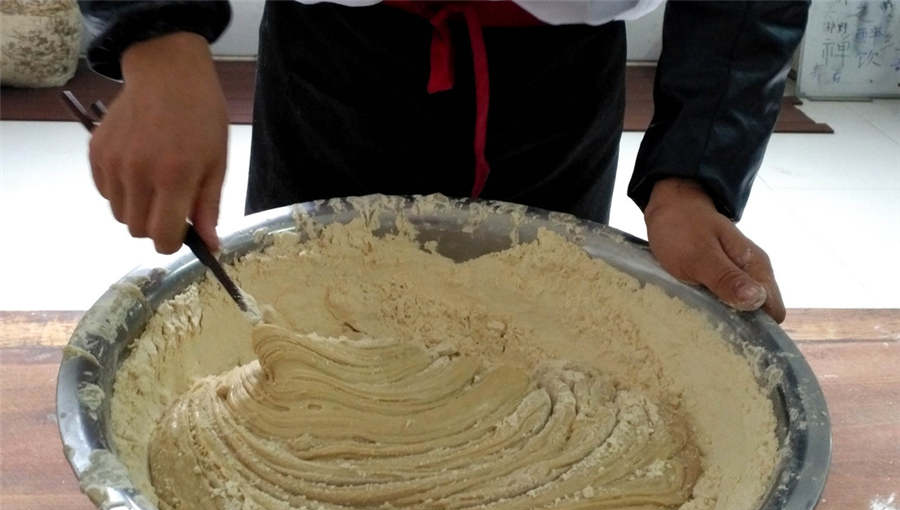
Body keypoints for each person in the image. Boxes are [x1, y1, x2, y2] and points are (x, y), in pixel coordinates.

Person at [80, 0, 809, 323]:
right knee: (304, 325)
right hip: (336, 64)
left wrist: (693, 174)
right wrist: (160, 31)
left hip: (559, 85)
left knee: (544, 339)